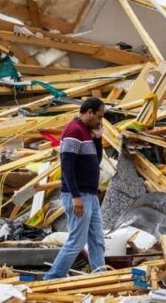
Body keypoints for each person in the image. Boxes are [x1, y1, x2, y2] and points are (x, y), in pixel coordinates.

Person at [44, 97, 106, 280]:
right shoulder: (74, 130)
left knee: (97, 240)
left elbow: (97, 161)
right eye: (99, 117)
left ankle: (100, 278)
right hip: (79, 195)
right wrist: (75, 196)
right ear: (89, 112)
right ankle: (52, 278)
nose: (100, 121)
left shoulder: (87, 132)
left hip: (90, 195)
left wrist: (98, 140)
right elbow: (67, 167)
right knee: (76, 242)